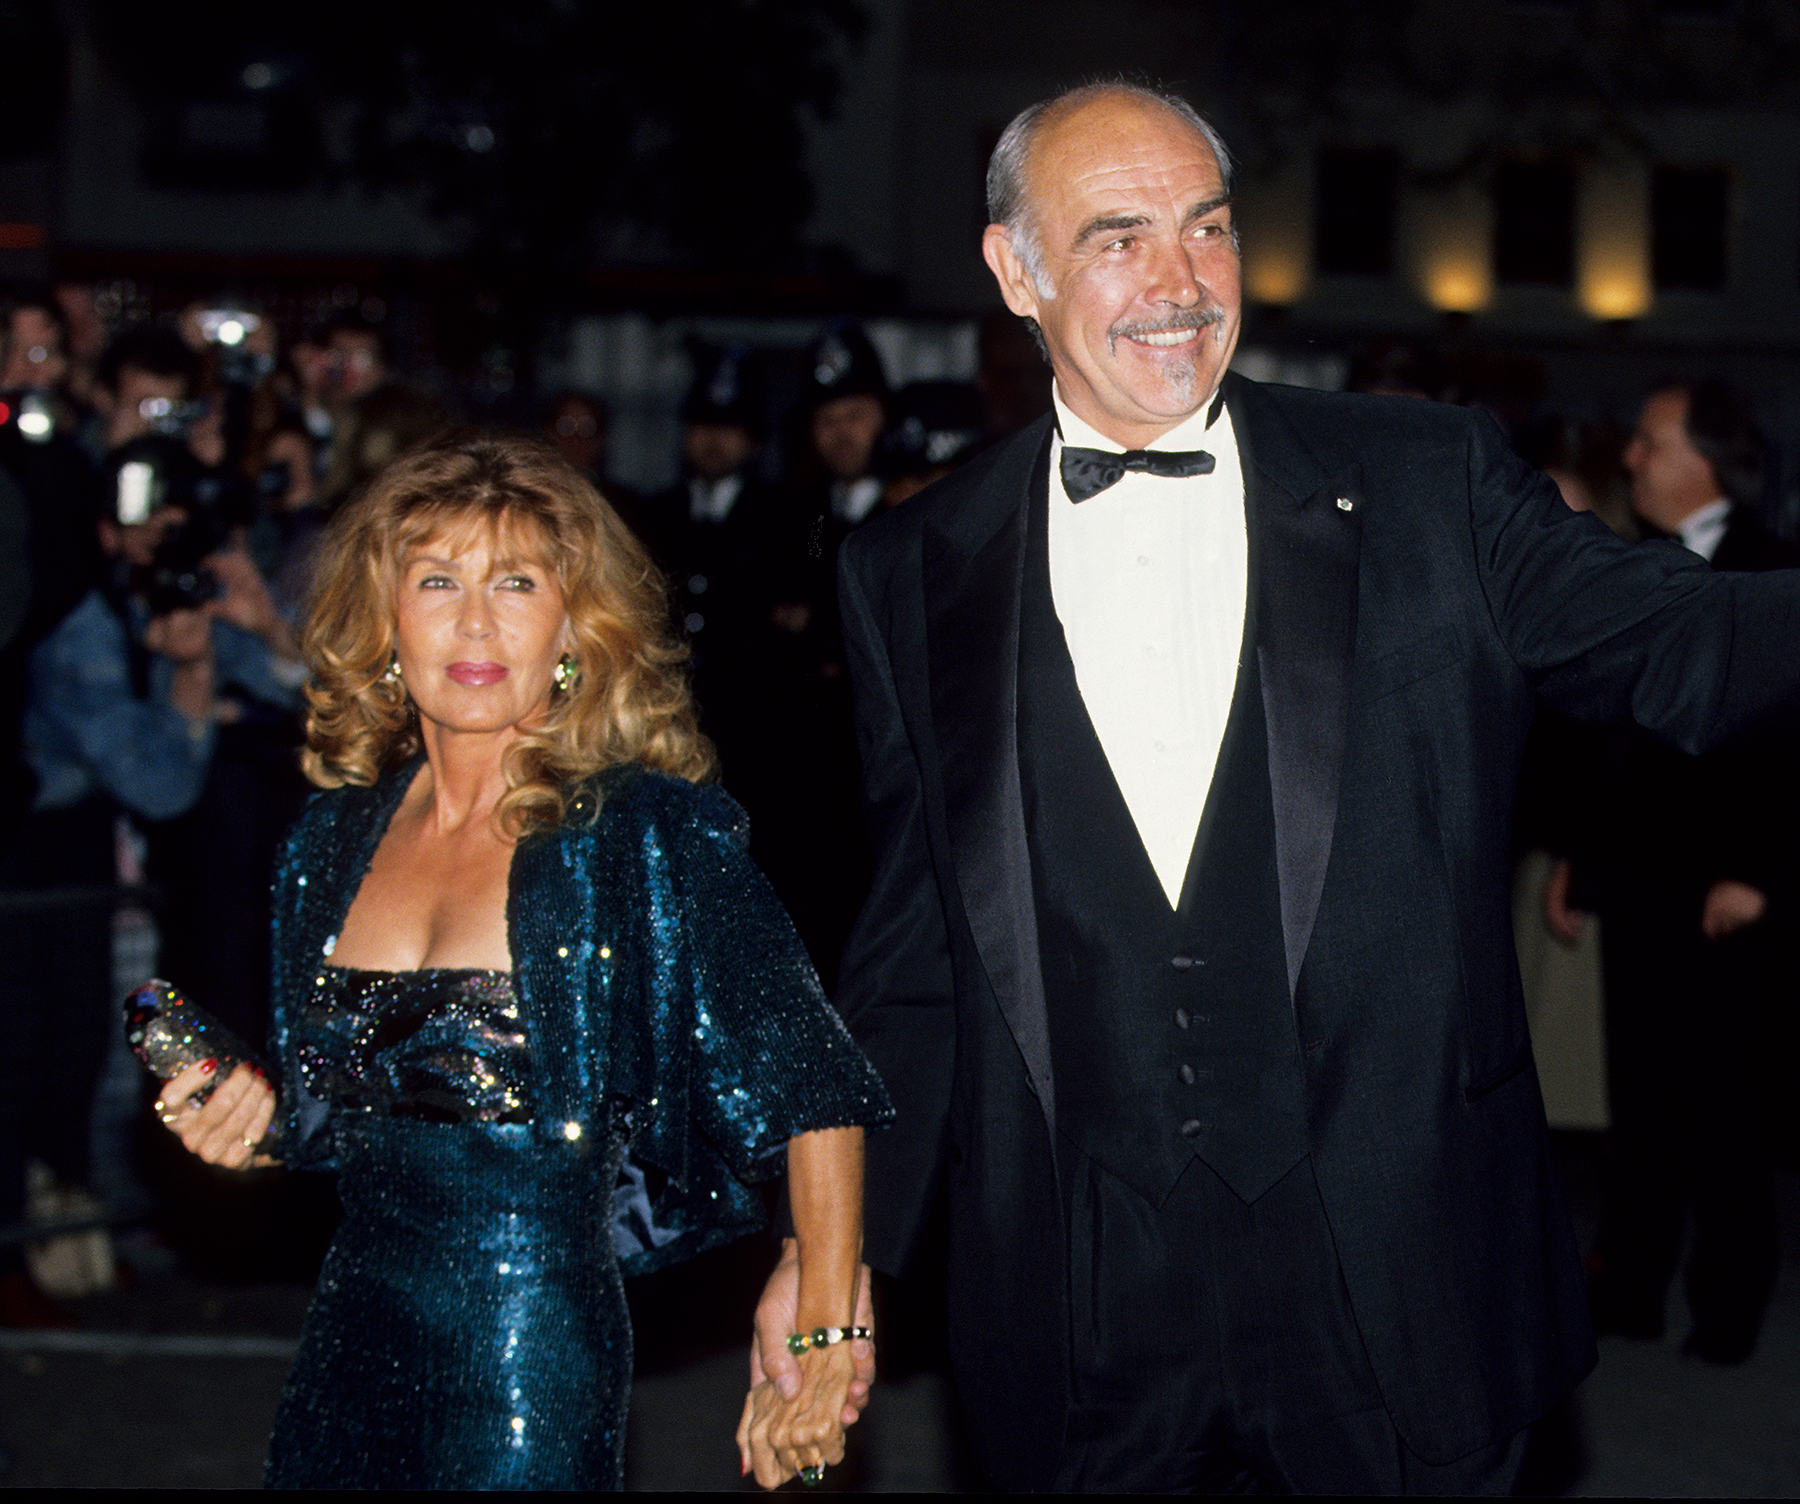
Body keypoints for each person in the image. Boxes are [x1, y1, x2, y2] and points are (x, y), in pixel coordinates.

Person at [751, 82, 1800, 1494]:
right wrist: (830, 1256)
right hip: (1078, 1303)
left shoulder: (1425, 481)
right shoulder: (909, 569)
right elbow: (914, 963)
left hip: (1395, 1277)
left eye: (1209, 227)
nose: (1181, 283)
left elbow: (1692, 643)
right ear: (1015, 270)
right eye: (1119, 237)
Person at [155, 433, 891, 1490]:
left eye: (515, 583)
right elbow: (338, 1126)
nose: (474, 621)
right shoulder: (329, 840)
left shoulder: (640, 832)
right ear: (385, 620)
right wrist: (248, 1124)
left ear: (574, 628)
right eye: (436, 581)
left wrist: (824, 1328)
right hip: (347, 1337)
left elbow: (813, 1086)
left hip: (526, 1353)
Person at [1553, 379, 1800, 1363]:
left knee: (1724, 1108)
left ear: (1705, 458)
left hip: (1726, 894)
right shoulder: (1638, 566)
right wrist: (1579, 859)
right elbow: (1609, 733)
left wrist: (1760, 873)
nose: (1631, 461)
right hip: (1642, 885)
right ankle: (1631, 1288)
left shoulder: (1775, 571)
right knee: (1642, 1102)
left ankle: (1729, 1309)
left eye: (1650, 444)